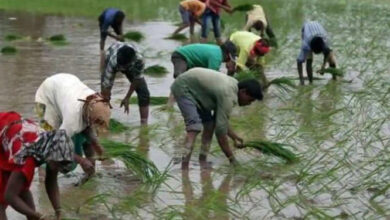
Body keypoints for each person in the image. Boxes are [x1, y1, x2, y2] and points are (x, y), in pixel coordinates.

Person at [171, 68, 263, 169]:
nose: (248, 104)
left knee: (209, 125)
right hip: (184, 88)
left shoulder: (233, 87)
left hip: (199, 92)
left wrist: (234, 137)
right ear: (243, 92)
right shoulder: (228, 95)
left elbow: (221, 121)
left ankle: (202, 160)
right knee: (194, 128)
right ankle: (184, 167)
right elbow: (220, 133)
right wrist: (233, 161)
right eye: (250, 100)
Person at [35, 73, 111, 179]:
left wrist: (98, 148)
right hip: (45, 97)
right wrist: (81, 160)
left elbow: (90, 133)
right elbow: (58, 144)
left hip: (64, 85)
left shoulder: (94, 101)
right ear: (88, 116)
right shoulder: (72, 119)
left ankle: (90, 175)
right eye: (94, 122)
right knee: (50, 141)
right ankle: (43, 178)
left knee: (86, 137)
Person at [0, 111, 74, 220]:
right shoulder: (27, 158)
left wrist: (58, 210)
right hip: (6, 134)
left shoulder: (51, 145)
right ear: (51, 156)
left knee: (20, 186)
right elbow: (10, 196)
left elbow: (51, 181)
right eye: (57, 165)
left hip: (12, 133)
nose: (56, 169)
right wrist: (38, 216)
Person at [168, 41, 237, 107]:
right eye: (230, 58)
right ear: (228, 54)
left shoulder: (217, 51)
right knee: (180, 79)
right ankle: (170, 104)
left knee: (186, 83)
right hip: (181, 56)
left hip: (189, 61)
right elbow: (210, 78)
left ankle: (178, 102)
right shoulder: (217, 57)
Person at [101, 42, 150, 125]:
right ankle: (103, 119)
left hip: (131, 65)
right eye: (121, 67)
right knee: (104, 95)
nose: (122, 69)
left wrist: (127, 97)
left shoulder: (139, 60)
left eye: (124, 67)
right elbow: (107, 84)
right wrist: (106, 99)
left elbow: (137, 79)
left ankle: (144, 124)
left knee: (144, 93)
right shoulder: (113, 60)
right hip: (112, 57)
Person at [297, 21, 337, 85]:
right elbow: (299, 61)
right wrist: (301, 80)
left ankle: (334, 78)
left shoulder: (325, 41)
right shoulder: (306, 45)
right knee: (309, 59)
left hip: (318, 28)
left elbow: (328, 52)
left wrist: (323, 67)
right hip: (306, 28)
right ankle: (310, 82)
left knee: (331, 59)